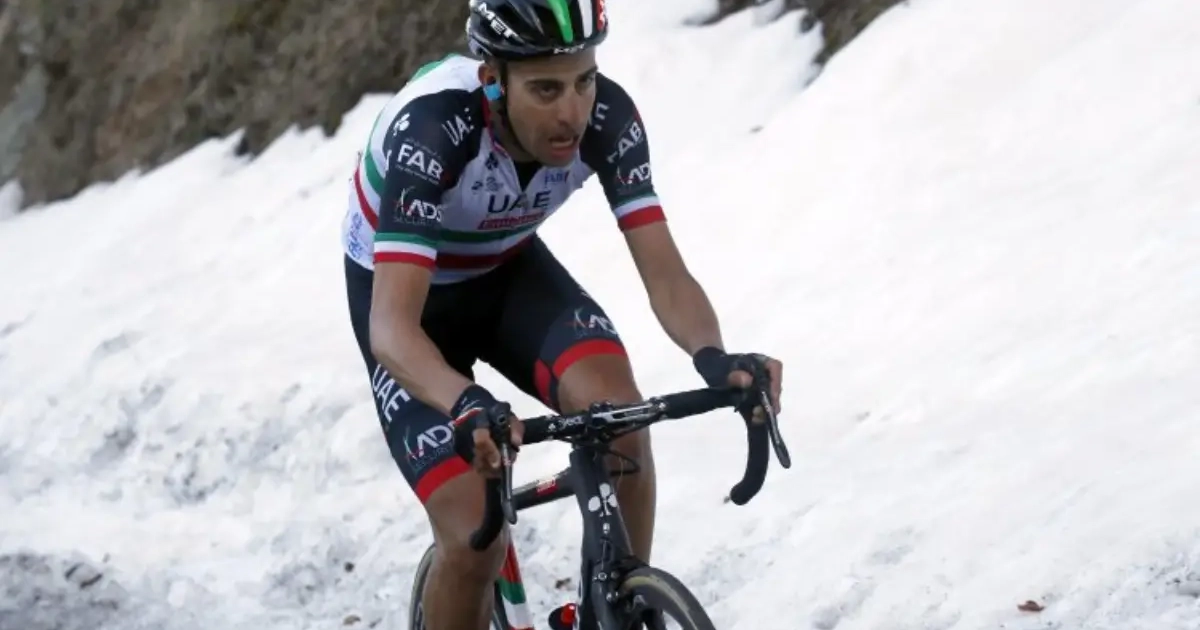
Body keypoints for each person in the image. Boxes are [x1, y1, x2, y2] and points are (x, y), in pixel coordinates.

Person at [340, 1, 784, 628]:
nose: (572, 111)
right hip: (407, 303)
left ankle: (617, 609)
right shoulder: (434, 131)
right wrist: (465, 401)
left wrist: (715, 357)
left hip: (506, 273)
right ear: (493, 79)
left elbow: (666, 274)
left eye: (584, 80)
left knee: (621, 420)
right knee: (474, 536)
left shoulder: (608, 117)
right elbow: (391, 330)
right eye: (546, 89)